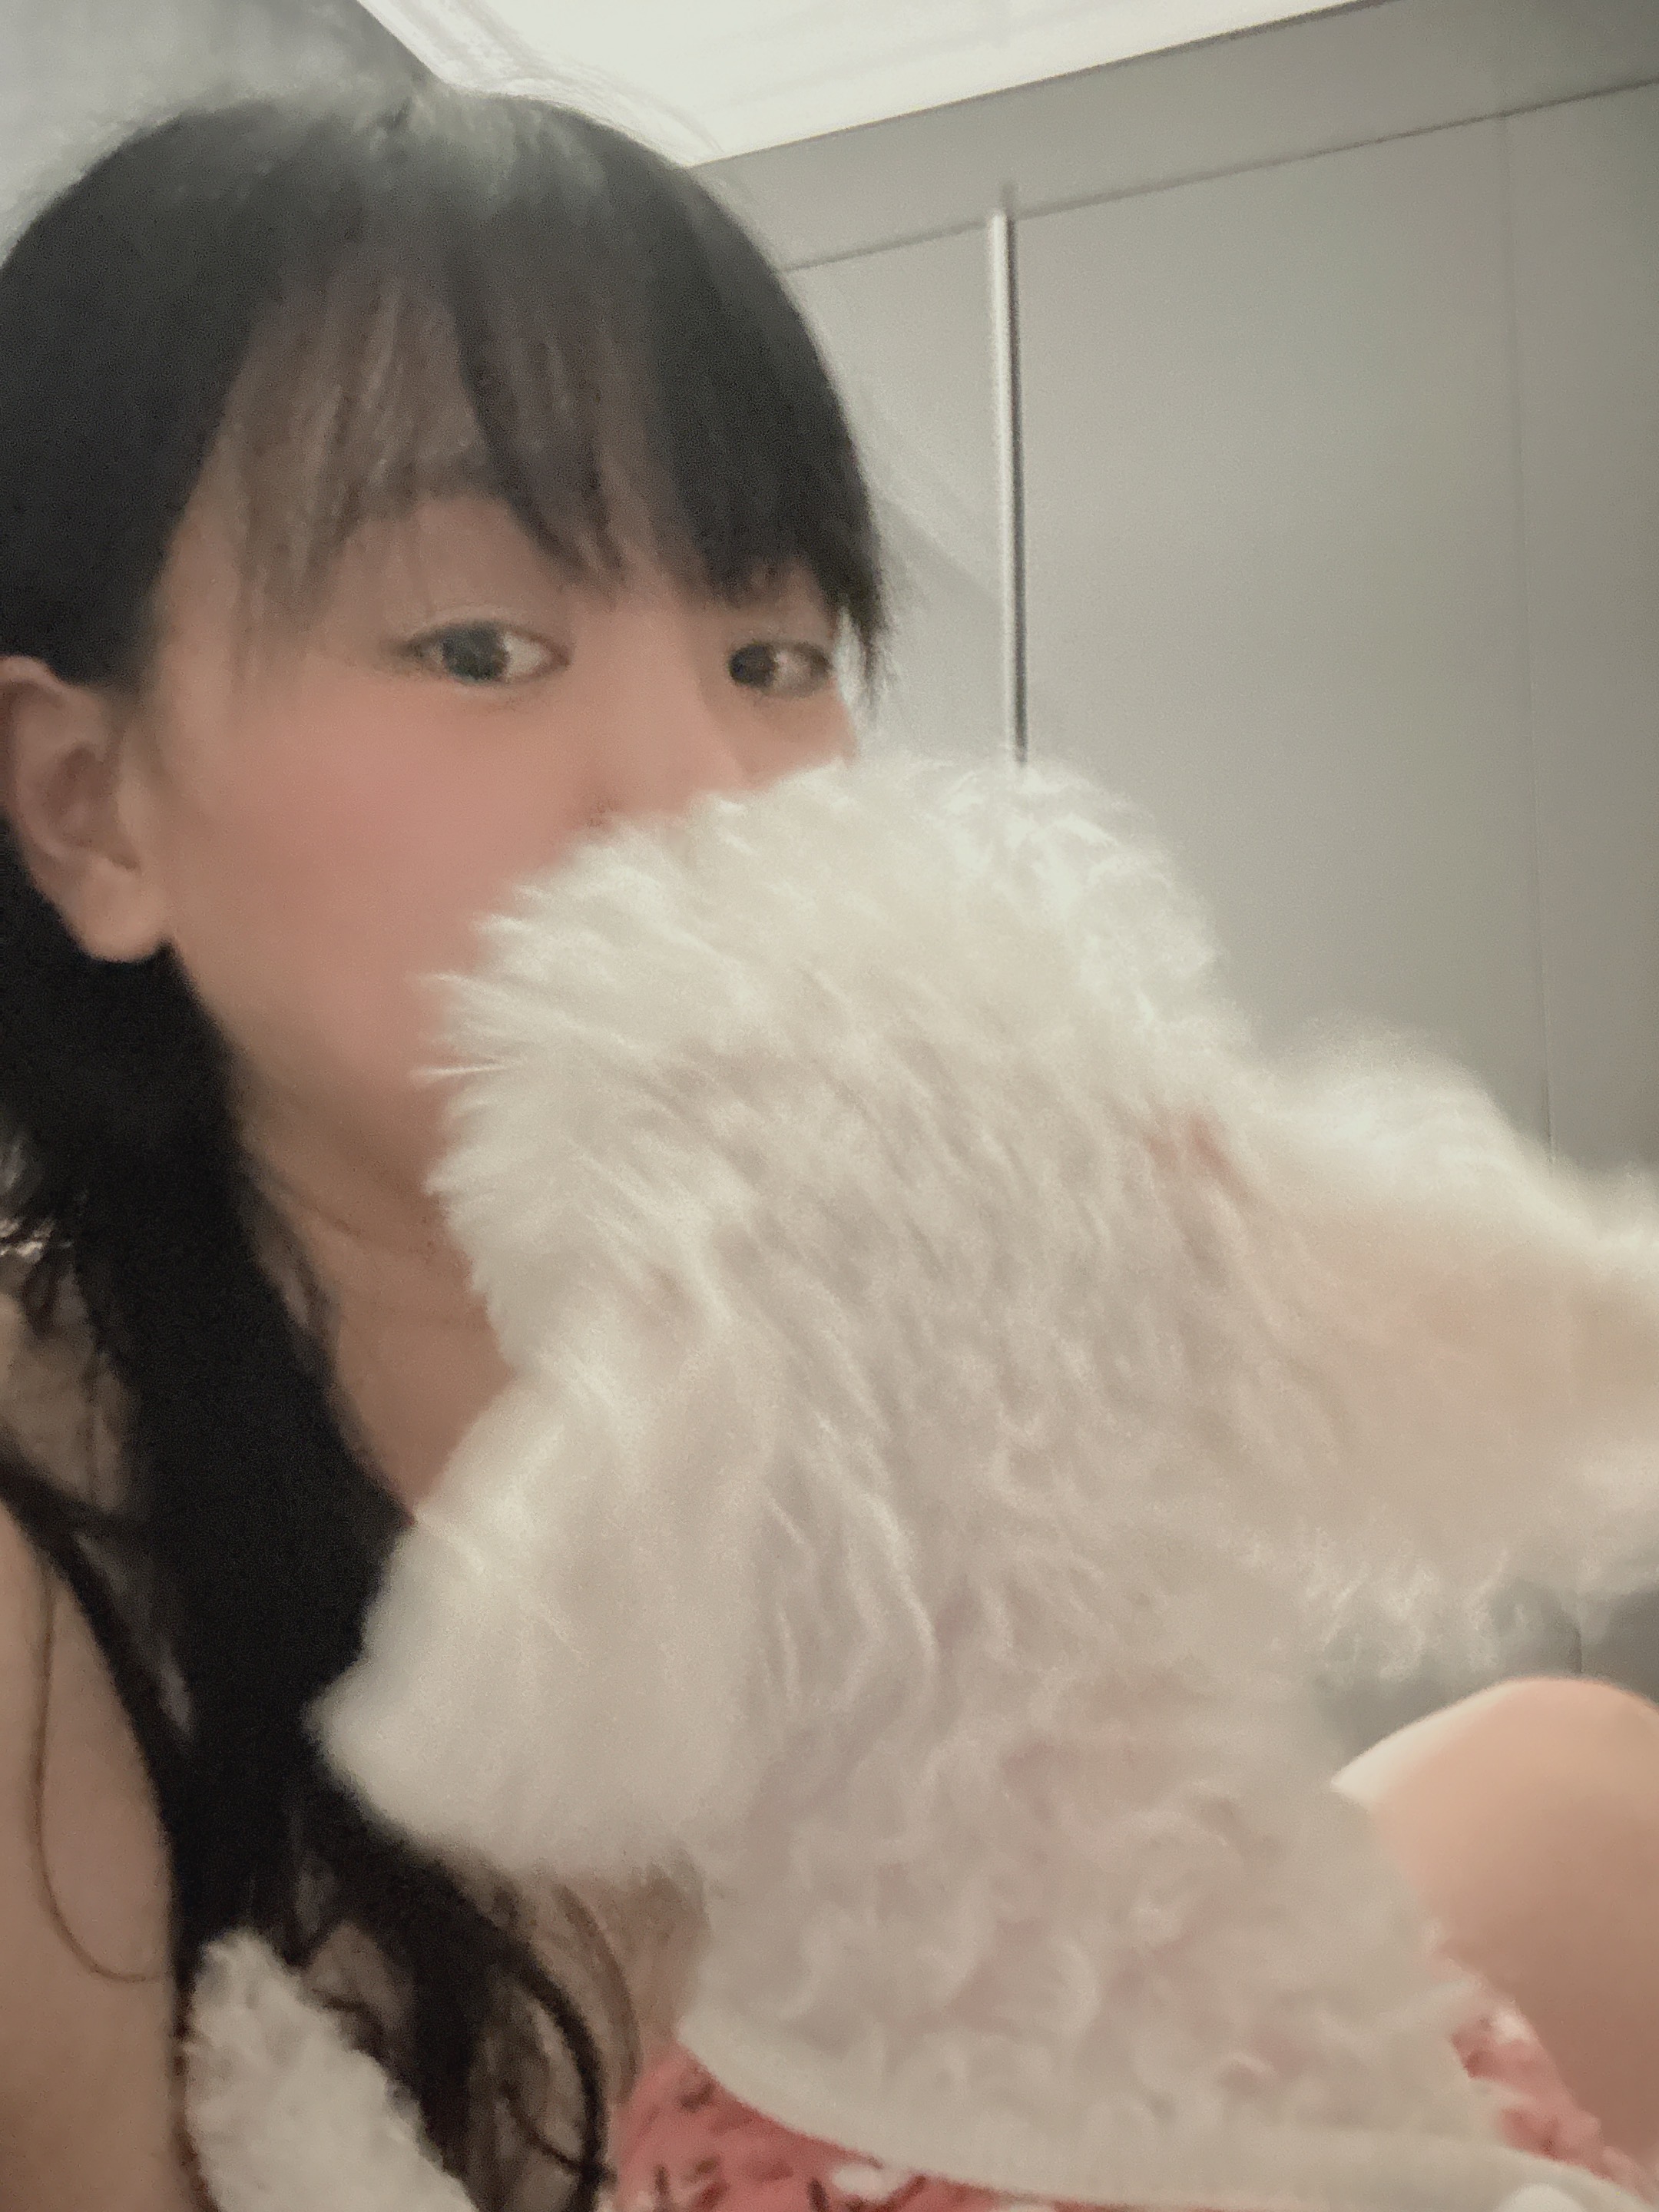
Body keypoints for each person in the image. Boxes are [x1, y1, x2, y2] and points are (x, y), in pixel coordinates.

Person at [0, 76, 1654, 2212]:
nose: (705, 781)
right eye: (478, 646)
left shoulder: (902, 1297)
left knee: (1568, 1779)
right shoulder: (49, 1587)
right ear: (90, 808)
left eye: (771, 653)